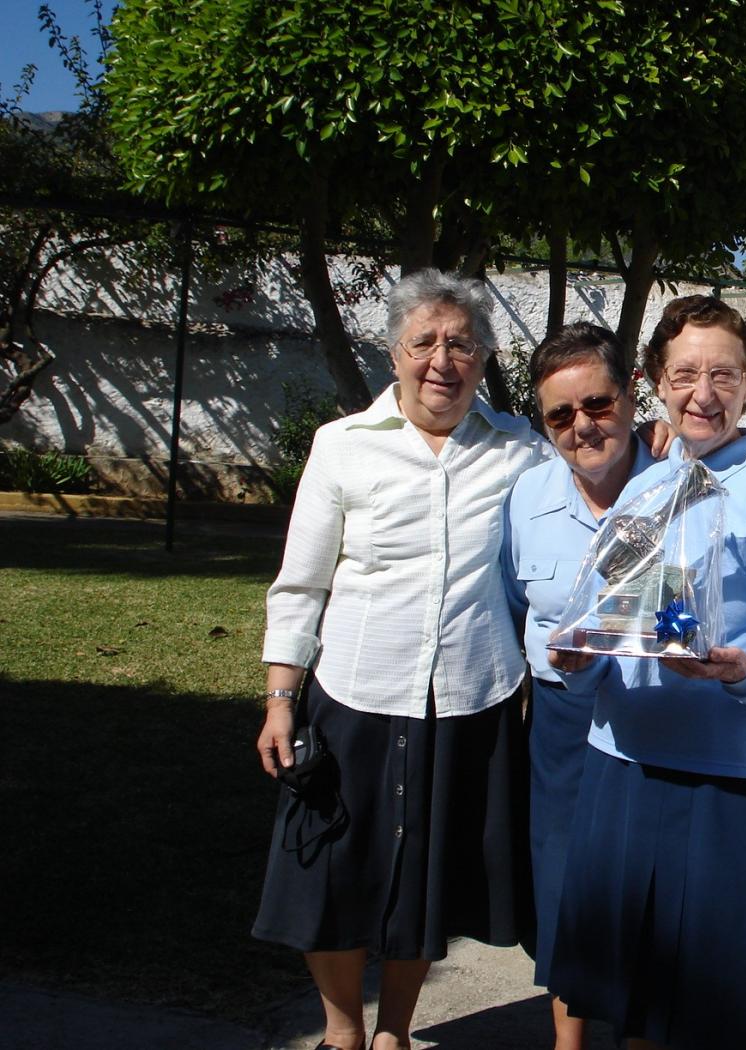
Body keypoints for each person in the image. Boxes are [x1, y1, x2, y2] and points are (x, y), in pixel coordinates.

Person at [252, 269, 546, 1050]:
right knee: (332, 873)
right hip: (353, 694)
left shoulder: (520, 451)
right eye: (425, 342)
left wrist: (645, 441)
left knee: (426, 876)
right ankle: (344, 1028)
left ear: (484, 357)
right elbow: (302, 580)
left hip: (467, 700)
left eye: (462, 343)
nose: (442, 360)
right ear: (394, 353)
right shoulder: (342, 446)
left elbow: (587, 493)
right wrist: (282, 698)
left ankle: (398, 1033)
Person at [547, 296, 746, 1050]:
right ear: (654, 380)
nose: (702, 394)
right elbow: (604, 624)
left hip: (722, 785)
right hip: (621, 770)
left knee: (702, 1017)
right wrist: (573, 661)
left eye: (723, 375)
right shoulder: (642, 490)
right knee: (627, 1006)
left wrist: (744, 672)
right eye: (684, 374)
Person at [501, 323, 662, 1050]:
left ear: (631, 395)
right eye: (559, 415)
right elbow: (510, 601)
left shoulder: (679, 483)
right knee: (564, 882)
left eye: (596, 404)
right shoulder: (527, 496)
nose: (582, 427)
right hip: (563, 719)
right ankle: (568, 1043)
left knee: (643, 888)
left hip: (651, 714)